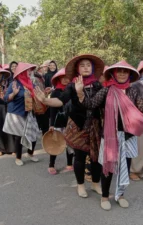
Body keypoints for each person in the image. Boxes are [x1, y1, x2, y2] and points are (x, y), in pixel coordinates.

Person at [76, 60, 143, 210]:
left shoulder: (132, 91)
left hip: (128, 135)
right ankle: (104, 197)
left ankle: (121, 195)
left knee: (126, 166)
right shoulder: (107, 90)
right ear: (114, 74)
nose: (122, 74)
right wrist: (80, 93)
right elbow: (91, 104)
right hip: (110, 135)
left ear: (129, 74)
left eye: (125, 71)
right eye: (119, 71)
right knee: (108, 166)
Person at [35, 54, 105, 199]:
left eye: (88, 65)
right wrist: (45, 100)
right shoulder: (71, 86)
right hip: (77, 125)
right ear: (78, 69)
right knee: (79, 157)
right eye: (82, 65)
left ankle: (95, 183)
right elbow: (60, 101)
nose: (86, 68)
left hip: (95, 125)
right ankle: (80, 185)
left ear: (92, 68)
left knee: (96, 157)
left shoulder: (98, 85)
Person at [3, 62, 41, 166]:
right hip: (17, 113)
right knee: (19, 137)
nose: (30, 72)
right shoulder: (14, 84)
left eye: (30, 70)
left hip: (29, 112)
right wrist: (13, 94)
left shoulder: (31, 83)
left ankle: (30, 154)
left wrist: (43, 93)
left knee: (34, 134)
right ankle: (18, 157)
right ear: (22, 72)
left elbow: (37, 96)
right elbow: (6, 99)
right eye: (27, 70)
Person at [47, 68, 73, 175]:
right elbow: (52, 110)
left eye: (67, 78)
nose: (66, 80)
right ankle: (51, 165)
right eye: (63, 78)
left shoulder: (72, 91)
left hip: (70, 122)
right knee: (56, 143)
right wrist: (51, 124)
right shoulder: (55, 93)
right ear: (59, 79)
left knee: (70, 144)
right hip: (58, 122)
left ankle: (69, 164)